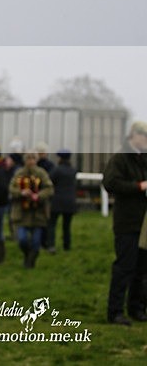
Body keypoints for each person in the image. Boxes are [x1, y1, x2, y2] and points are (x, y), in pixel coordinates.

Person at [103, 121, 147, 326]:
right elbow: (110, 183)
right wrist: (138, 186)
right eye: (144, 137)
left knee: (142, 268)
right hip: (127, 222)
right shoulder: (120, 158)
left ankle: (137, 308)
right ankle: (115, 311)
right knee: (124, 267)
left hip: (144, 222)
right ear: (134, 136)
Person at [9, 152, 54, 269]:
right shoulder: (19, 173)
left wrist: (38, 196)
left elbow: (49, 188)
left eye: (33, 158)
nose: (30, 161)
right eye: (28, 159)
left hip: (38, 213)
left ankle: (30, 262)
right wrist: (21, 193)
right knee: (22, 239)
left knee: (36, 241)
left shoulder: (41, 173)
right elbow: (11, 188)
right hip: (21, 213)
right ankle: (27, 254)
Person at [47, 149, 78, 253]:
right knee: (66, 226)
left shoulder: (56, 170)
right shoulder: (73, 170)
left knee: (52, 224)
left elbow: (50, 181)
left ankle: (51, 245)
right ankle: (67, 246)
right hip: (70, 200)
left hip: (57, 200)